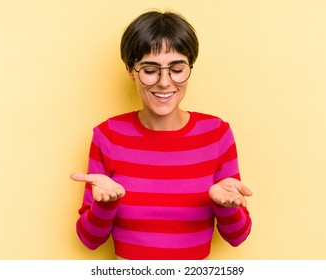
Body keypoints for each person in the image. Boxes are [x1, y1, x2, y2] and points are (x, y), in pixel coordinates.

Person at [71, 10, 253, 260]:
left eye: (177, 68)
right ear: (131, 71)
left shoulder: (217, 134)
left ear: (190, 67)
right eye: (150, 69)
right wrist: (104, 205)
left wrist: (225, 206)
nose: (165, 82)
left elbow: (238, 236)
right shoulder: (108, 135)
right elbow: (89, 239)